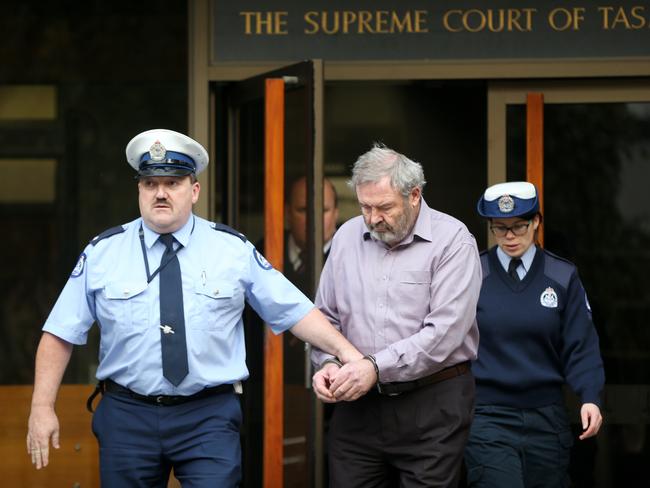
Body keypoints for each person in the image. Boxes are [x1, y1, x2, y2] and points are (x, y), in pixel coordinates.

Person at [25, 128, 363, 487]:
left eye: (172, 183)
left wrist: (349, 354)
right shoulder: (103, 253)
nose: (160, 193)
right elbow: (61, 331)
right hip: (128, 416)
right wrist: (41, 407)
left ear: (194, 190)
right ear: (139, 190)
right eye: (150, 183)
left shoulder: (231, 249)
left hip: (207, 416)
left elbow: (294, 310)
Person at [310, 143, 482, 487]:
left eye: (384, 207)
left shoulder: (453, 242)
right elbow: (325, 317)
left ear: (414, 195)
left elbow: (445, 333)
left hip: (432, 405)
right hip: (357, 408)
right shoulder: (346, 237)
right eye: (364, 206)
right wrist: (327, 363)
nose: (372, 218)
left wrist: (374, 367)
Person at [464, 181, 605, 487]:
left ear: (537, 222)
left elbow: (581, 344)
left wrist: (590, 397)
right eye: (500, 228)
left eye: (519, 226)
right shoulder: (473, 272)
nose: (510, 236)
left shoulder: (562, 276)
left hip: (547, 418)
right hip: (489, 416)